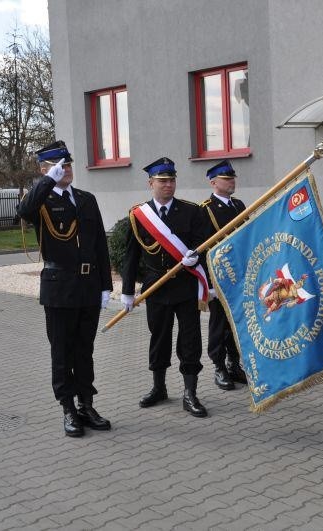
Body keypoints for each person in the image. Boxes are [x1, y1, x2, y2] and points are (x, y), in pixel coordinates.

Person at [16, 140, 113, 437]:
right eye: (60, 166)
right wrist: (48, 180)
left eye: (68, 165)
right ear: (46, 169)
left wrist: (105, 285)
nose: (66, 170)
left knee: (85, 350)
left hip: (88, 286)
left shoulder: (86, 199)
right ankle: (68, 407)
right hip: (59, 288)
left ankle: (87, 404)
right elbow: (23, 209)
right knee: (62, 351)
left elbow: (99, 244)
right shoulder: (41, 201)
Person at [120, 157, 211, 417]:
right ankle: (158, 388)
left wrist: (196, 257)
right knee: (158, 339)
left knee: (190, 340)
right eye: (162, 181)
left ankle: (190, 393)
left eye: (171, 180)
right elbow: (131, 256)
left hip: (185, 286)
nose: (168, 185)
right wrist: (127, 291)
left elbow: (204, 244)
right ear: (151, 183)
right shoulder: (139, 215)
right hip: (156, 288)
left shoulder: (192, 211)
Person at [200, 160, 247, 391]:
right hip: (218, 275)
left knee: (236, 322)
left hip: (239, 274)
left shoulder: (239, 205)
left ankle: (234, 364)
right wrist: (207, 283)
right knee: (219, 323)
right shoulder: (205, 209)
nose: (232, 182)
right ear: (213, 182)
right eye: (227, 179)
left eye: (233, 178)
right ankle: (219, 367)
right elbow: (202, 249)